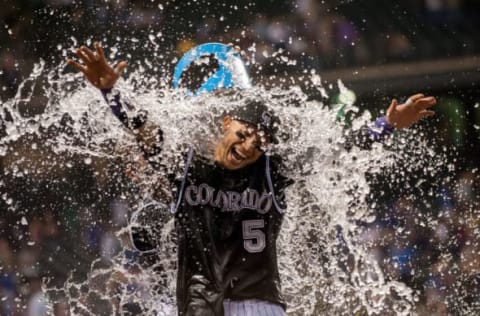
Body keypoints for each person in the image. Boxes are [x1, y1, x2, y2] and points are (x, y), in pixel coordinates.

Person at [67, 42, 437, 316]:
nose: (247, 148)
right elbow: (145, 129)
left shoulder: (273, 171)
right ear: (227, 123)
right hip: (199, 304)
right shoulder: (186, 164)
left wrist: (386, 124)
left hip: (261, 304)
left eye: (258, 145)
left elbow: (337, 152)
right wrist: (111, 93)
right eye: (243, 136)